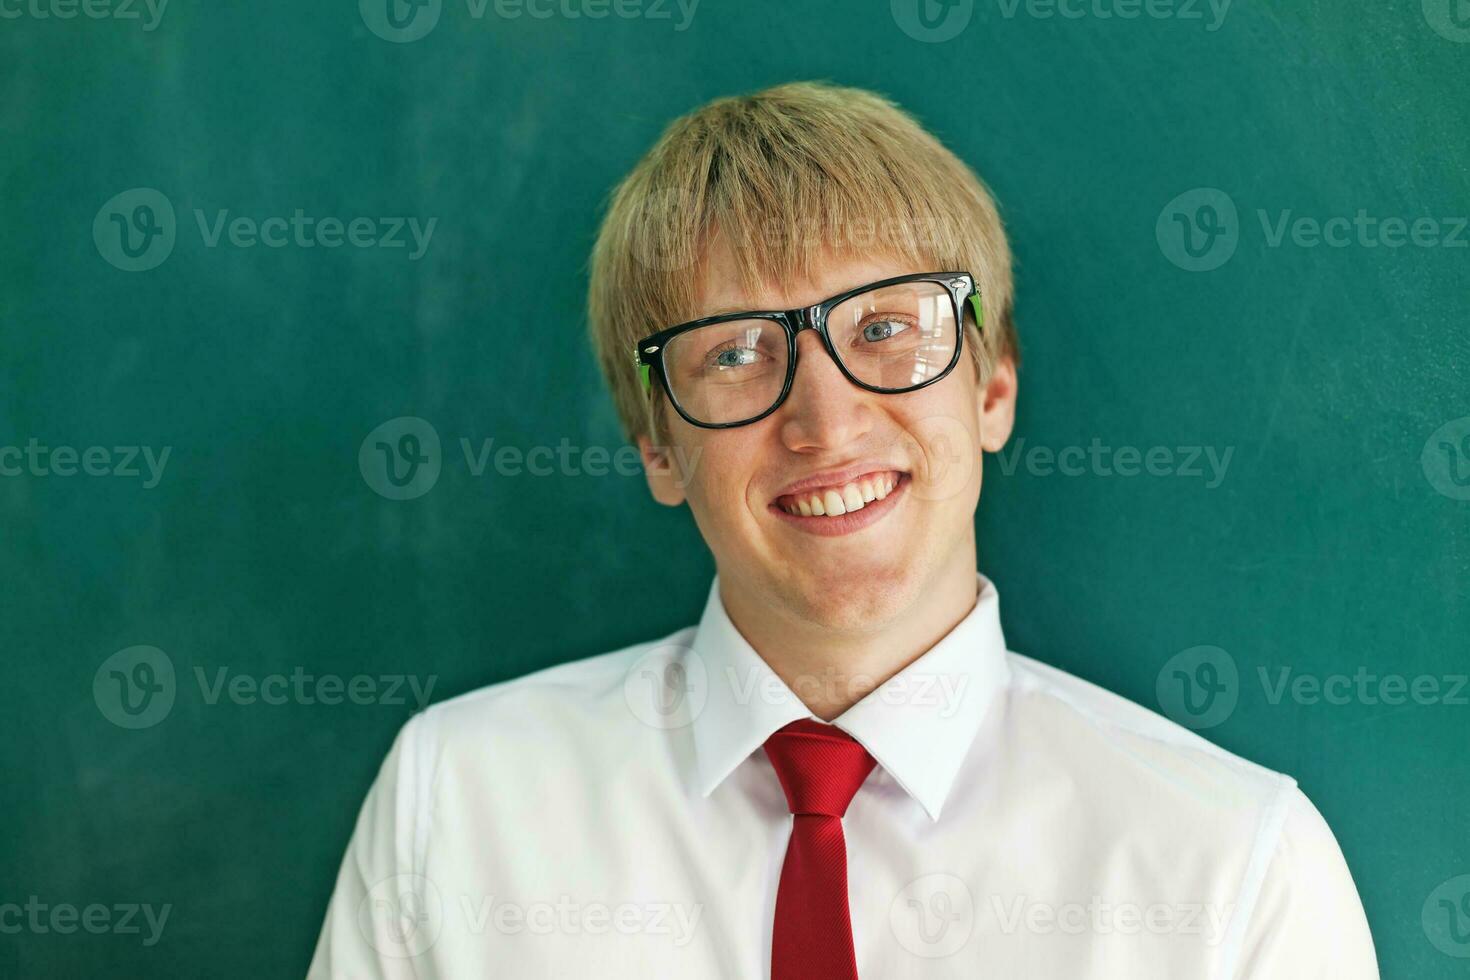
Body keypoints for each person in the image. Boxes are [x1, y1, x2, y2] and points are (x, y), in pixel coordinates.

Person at [308, 81, 1378, 979]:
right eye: (733, 352)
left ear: (994, 383)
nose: (826, 420)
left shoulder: (1235, 867)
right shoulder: (456, 803)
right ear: (657, 448)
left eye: (886, 327)